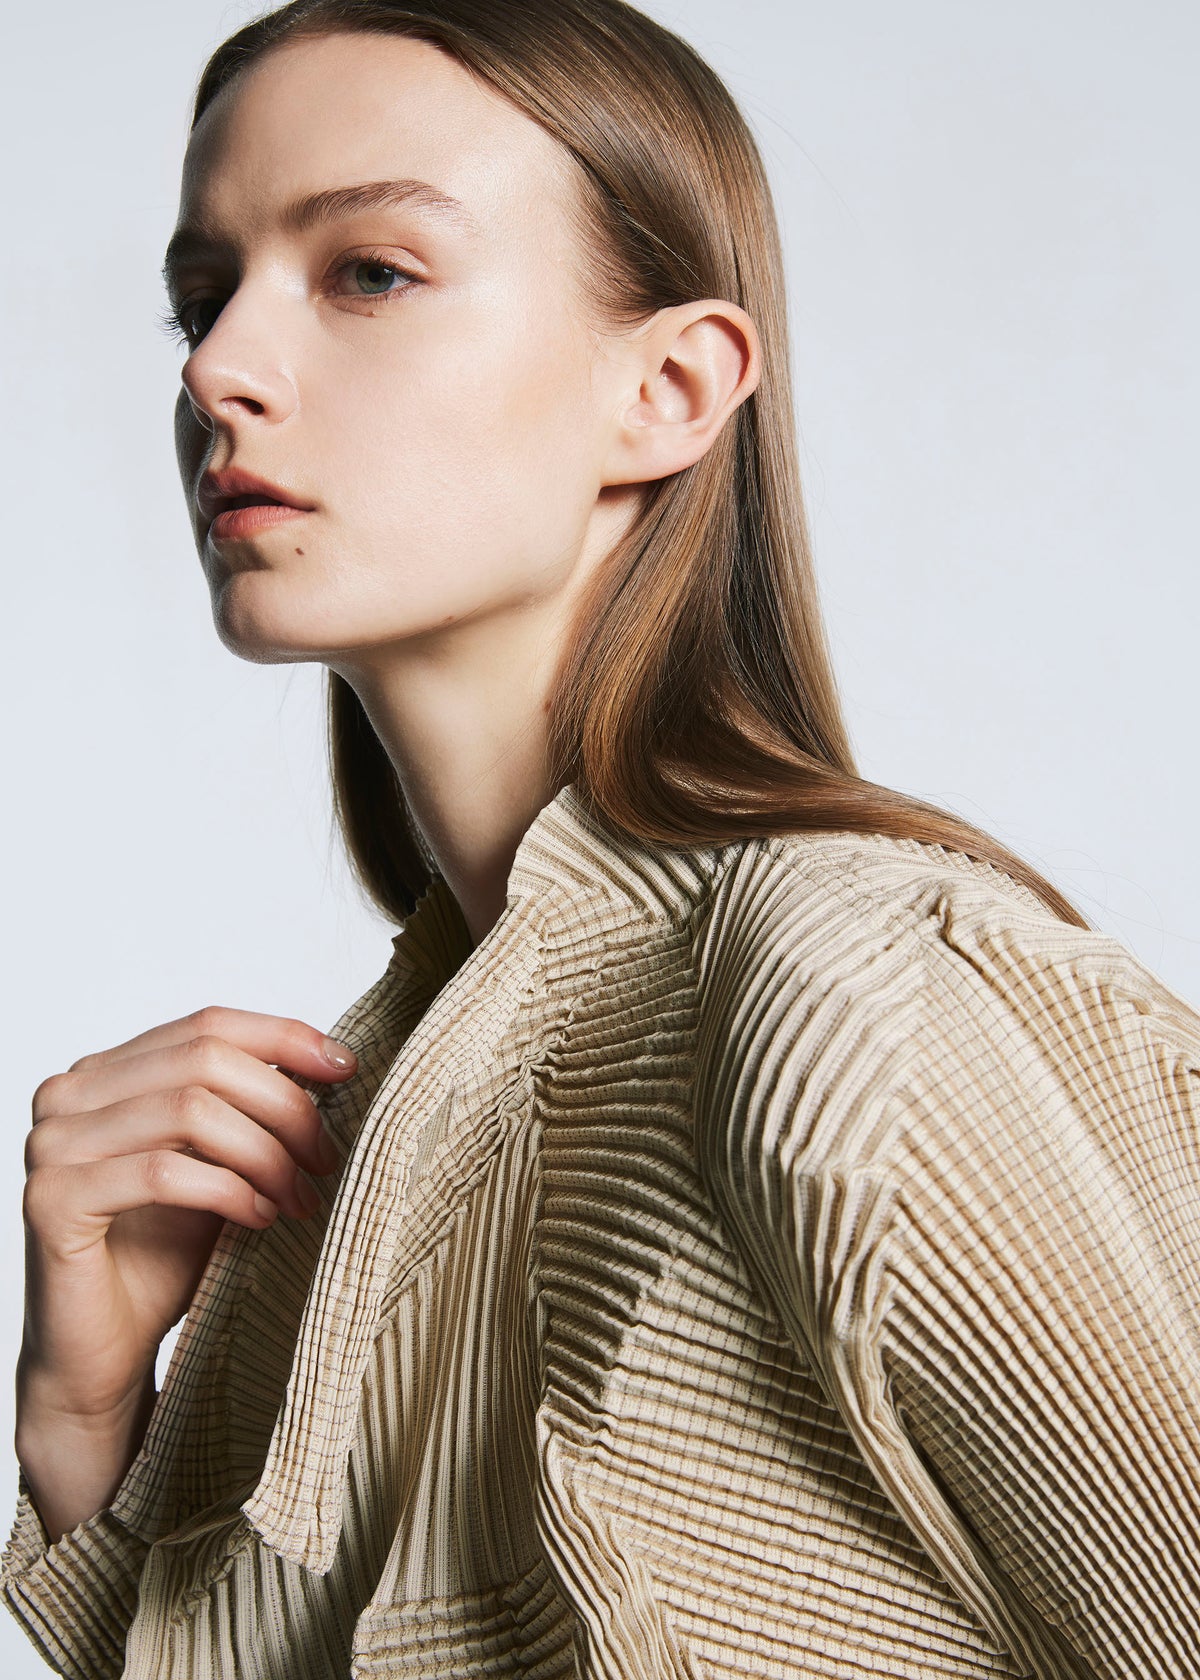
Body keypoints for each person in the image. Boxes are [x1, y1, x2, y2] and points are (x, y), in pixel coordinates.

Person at [5, 0, 1200, 1675]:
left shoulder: (855, 999)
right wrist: (83, 1424)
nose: (216, 371)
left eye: (369, 273)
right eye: (204, 299)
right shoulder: (352, 1141)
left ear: (669, 387)